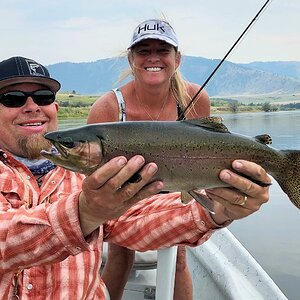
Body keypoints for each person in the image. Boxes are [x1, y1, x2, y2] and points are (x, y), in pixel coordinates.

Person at [87, 19, 271, 300]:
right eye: (143, 51)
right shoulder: (108, 107)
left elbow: (207, 151)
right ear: (131, 59)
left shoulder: (195, 98)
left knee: (180, 255)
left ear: (177, 58)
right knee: (120, 255)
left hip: (178, 186)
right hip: (123, 194)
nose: (153, 58)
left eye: (162, 50)